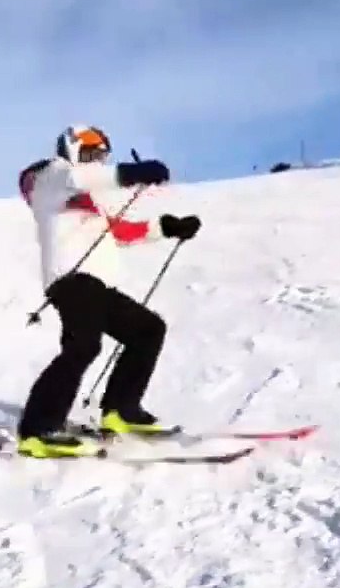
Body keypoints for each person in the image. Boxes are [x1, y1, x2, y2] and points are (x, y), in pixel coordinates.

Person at [14, 124, 201, 458]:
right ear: (71, 151)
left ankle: (121, 410)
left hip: (96, 286)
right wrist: (132, 172)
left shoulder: (88, 202)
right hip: (71, 281)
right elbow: (81, 178)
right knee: (83, 346)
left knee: (147, 329)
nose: (95, 163)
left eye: (100, 157)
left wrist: (167, 227)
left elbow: (123, 232)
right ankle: (38, 429)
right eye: (89, 155)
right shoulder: (52, 178)